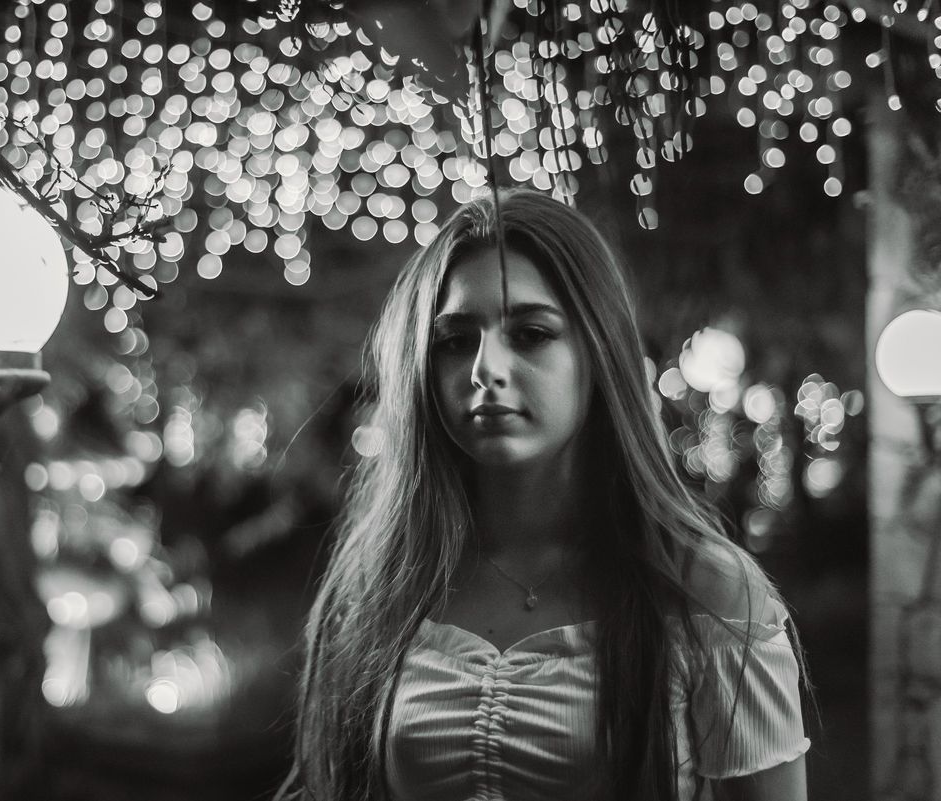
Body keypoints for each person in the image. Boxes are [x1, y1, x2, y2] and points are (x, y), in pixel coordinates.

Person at [276, 187, 811, 801]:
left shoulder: (706, 593)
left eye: (530, 334)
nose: (485, 370)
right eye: (454, 340)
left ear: (598, 351)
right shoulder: (388, 581)